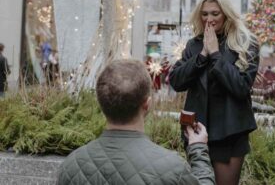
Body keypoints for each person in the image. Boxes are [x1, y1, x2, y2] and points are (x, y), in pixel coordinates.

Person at [58, 59, 215, 185]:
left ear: (101, 103)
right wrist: (198, 150)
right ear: (147, 104)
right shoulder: (172, 168)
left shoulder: (71, 166)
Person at [170, 0, 259, 185]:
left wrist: (216, 55)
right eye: (204, 14)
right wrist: (202, 55)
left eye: (215, 13)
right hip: (196, 130)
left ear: (226, 14)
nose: (209, 19)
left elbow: (241, 87)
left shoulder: (246, 43)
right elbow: (176, 81)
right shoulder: (194, 45)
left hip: (229, 132)